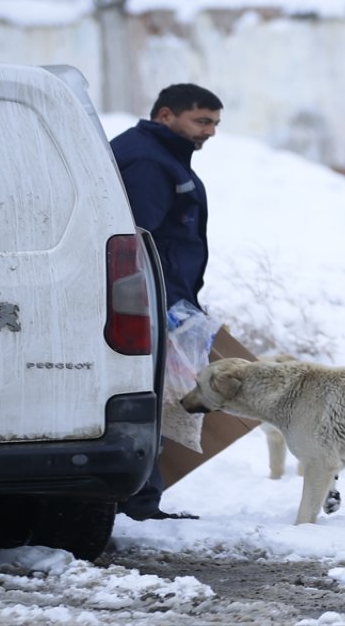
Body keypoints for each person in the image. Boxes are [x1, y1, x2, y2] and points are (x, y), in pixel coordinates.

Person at [110, 83, 223, 520]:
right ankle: (139, 504)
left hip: (166, 295)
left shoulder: (160, 155)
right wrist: (167, 304)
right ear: (165, 117)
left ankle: (139, 499)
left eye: (214, 122)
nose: (210, 131)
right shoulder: (147, 161)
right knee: (152, 394)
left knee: (161, 394)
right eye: (201, 121)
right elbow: (138, 240)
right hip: (151, 298)